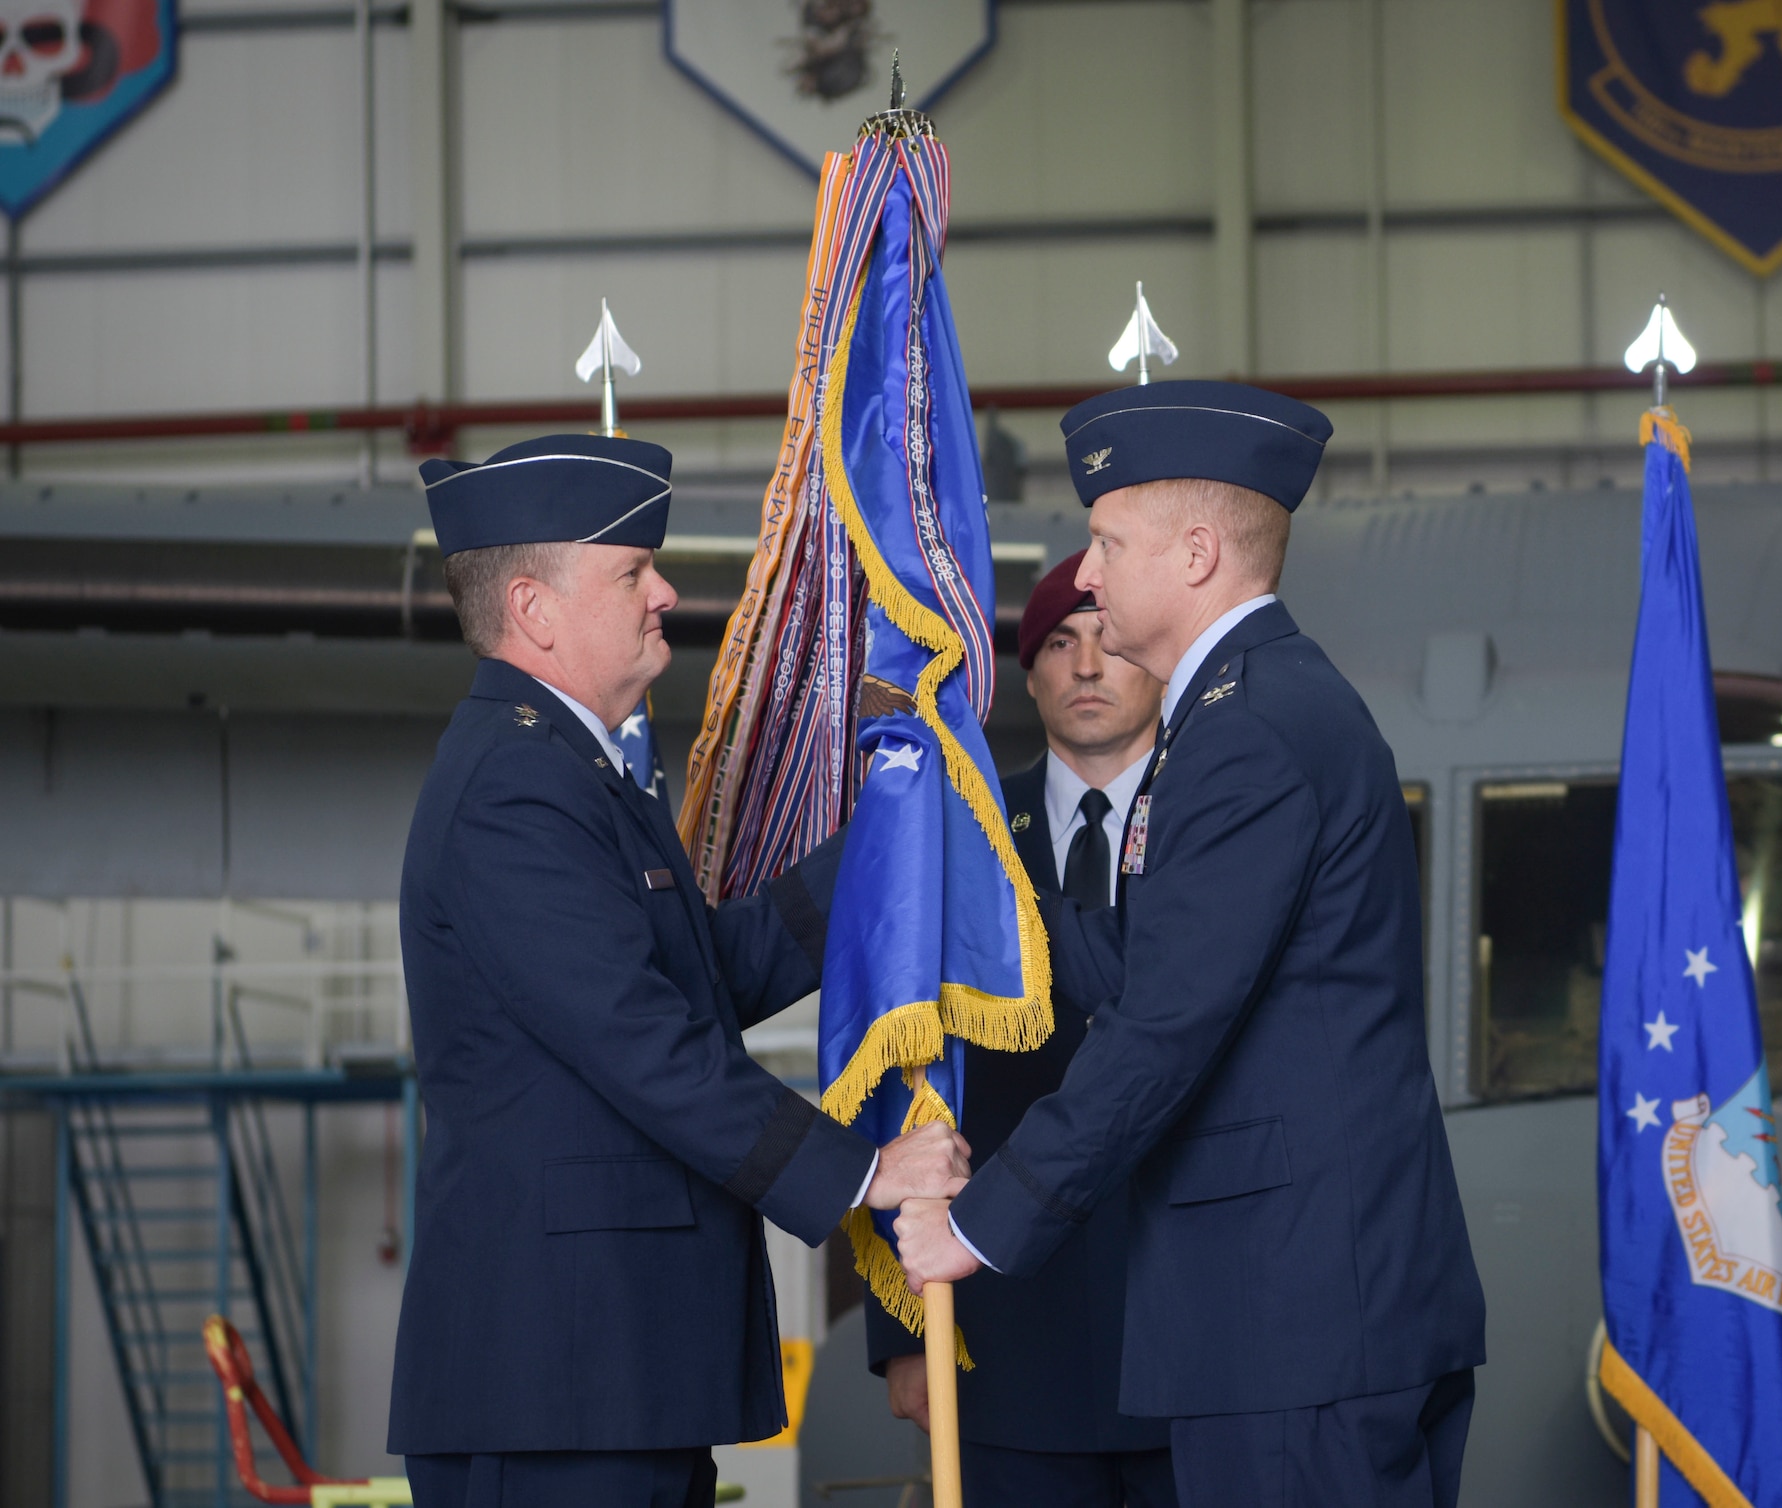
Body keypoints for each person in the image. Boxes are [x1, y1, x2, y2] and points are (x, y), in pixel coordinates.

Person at [893, 384, 1487, 1508]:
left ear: (1199, 551)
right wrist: (958, 893)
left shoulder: (1243, 729)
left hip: (1293, 1319)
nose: (1090, 569)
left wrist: (981, 1219)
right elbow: (1152, 962)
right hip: (1301, 1312)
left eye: (1107, 540)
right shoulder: (1245, 707)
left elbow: (1164, 1024)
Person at [388, 434, 970, 1508]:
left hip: (612, 1368)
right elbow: (640, 1041)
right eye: (630, 570)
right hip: (556, 1380)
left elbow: (703, 974)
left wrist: (886, 844)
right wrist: (861, 1170)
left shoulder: (569, 769)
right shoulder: (515, 790)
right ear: (536, 608)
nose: (663, 590)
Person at [864, 550, 1174, 1508]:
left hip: (1191, 1331)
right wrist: (906, 1336)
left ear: (1158, 662)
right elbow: (897, 1065)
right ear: (1027, 672)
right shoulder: (961, 836)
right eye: (1059, 644)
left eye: (1110, 642)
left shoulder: (1224, 815)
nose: (1086, 667)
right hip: (1007, 1335)